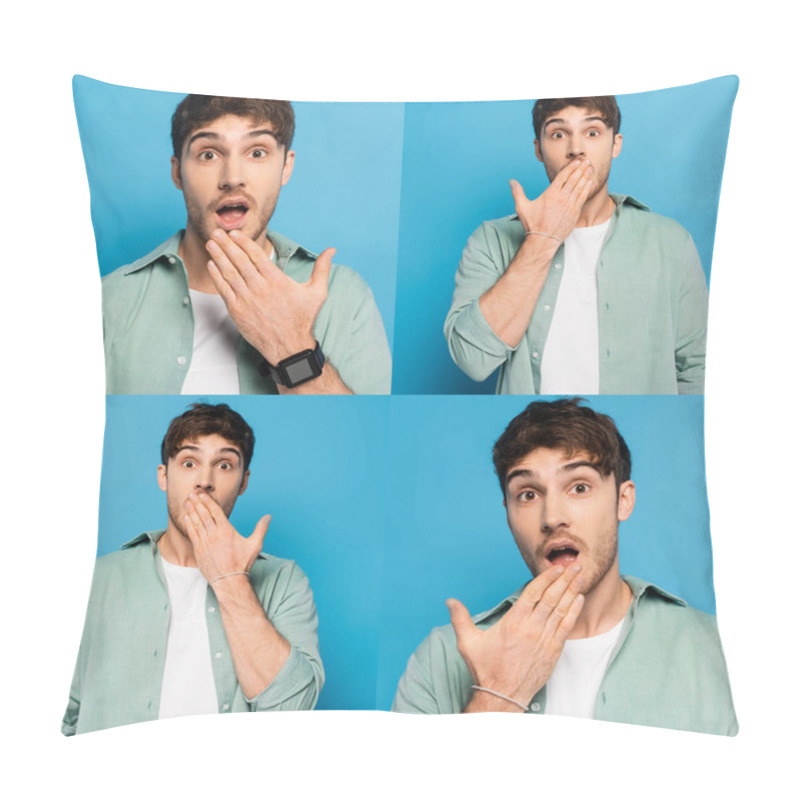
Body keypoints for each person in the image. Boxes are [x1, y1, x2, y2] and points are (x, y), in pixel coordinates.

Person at [393, 399, 737, 735]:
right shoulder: (439, 660)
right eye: (528, 494)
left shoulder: (718, 649)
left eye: (579, 487)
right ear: (507, 513)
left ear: (623, 500)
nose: (553, 518)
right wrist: (498, 696)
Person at [103, 94, 391, 395]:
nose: (233, 178)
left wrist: (292, 345)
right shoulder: (107, 300)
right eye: (209, 154)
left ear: (286, 167)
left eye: (256, 153)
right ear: (177, 172)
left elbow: (364, 437)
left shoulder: (346, 296)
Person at [62, 403, 323, 735]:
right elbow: (64, 712)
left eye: (224, 465)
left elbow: (291, 710)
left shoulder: (284, 581)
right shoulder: (96, 579)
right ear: (164, 476)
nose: (204, 481)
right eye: (189, 462)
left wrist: (230, 580)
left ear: (244, 482)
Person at [444, 96, 708, 394]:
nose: (576, 149)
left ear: (615, 144)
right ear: (539, 150)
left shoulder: (672, 242)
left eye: (592, 132)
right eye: (558, 134)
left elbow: (697, 369)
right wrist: (541, 241)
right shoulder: (491, 239)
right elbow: (473, 360)